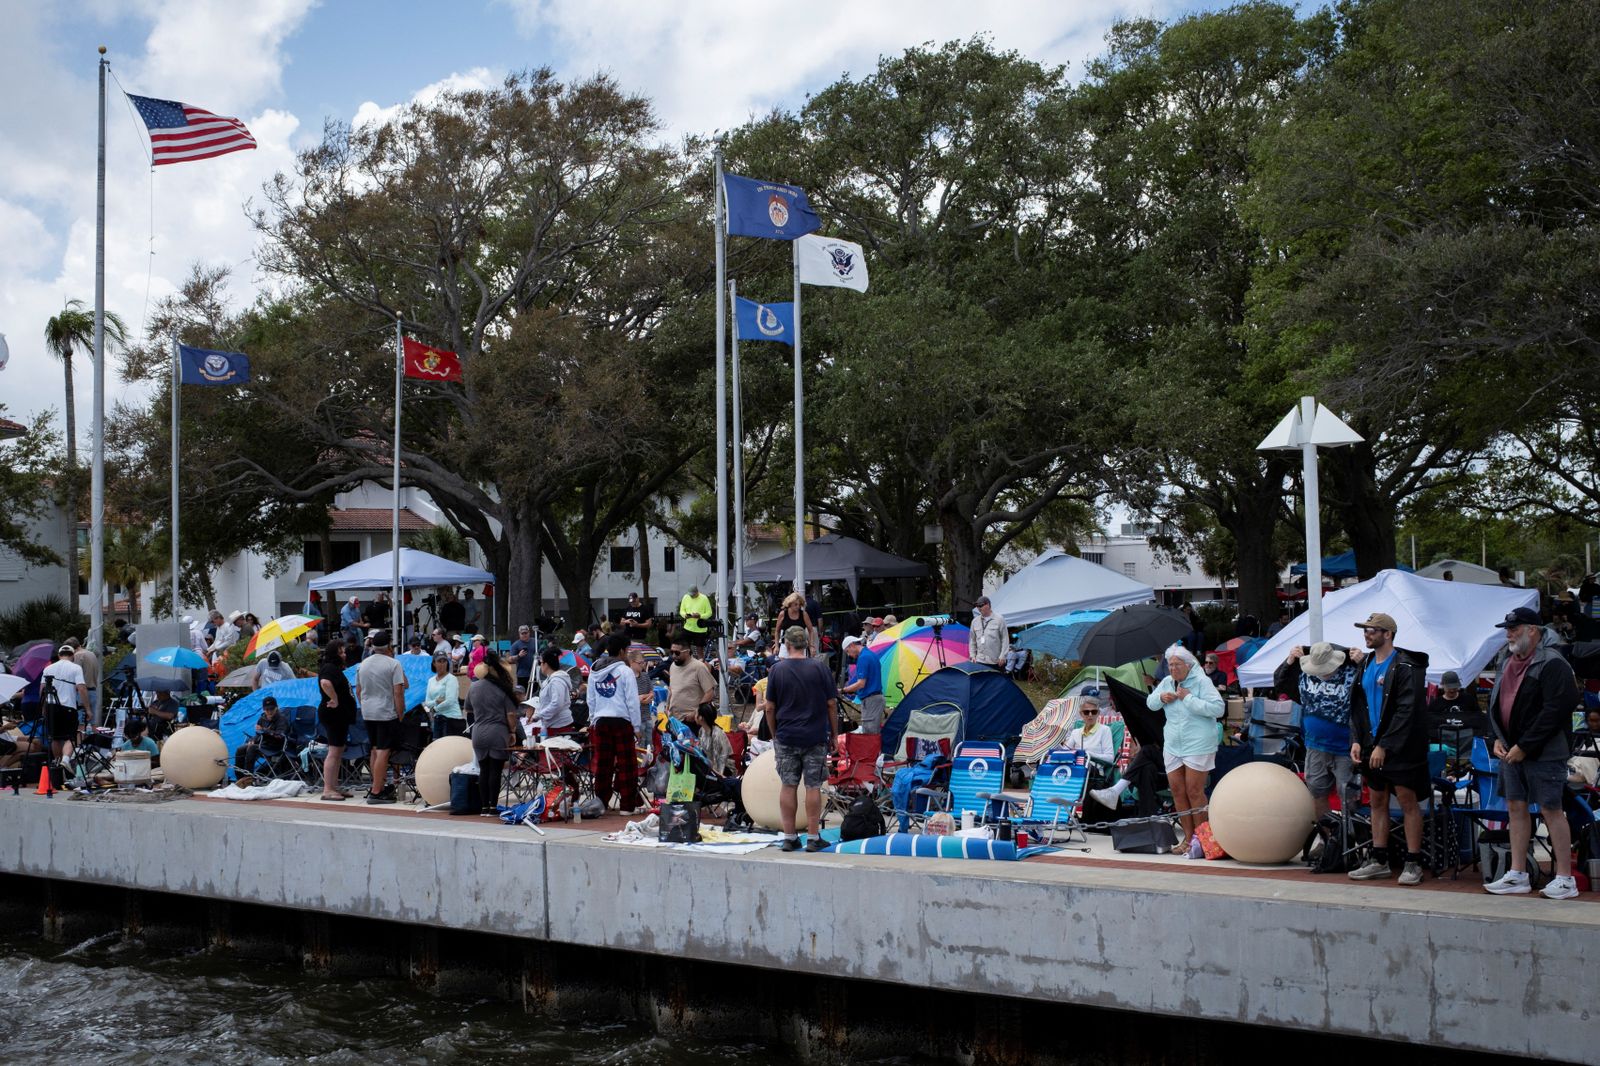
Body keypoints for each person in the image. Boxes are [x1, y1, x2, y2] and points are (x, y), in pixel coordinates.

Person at [1483, 606, 1581, 899]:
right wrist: (1496, 738)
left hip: (1544, 751)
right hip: (1511, 749)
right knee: (1515, 806)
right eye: (1507, 629)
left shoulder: (1553, 663)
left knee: (1552, 809)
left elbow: (1556, 710)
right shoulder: (1506, 660)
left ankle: (1565, 878)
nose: (1508, 634)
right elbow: (1496, 701)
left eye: (1514, 628)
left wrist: (1525, 746)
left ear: (1533, 630)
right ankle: (1517, 874)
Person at [1345, 612, 1431, 886]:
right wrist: (1357, 739)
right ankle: (1379, 859)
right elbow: (1358, 706)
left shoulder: (1404, 666)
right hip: (1371, 742)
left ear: (1388, 634)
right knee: (1377, 800)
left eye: (1373, 630)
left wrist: (1385, 744)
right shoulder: (1367, 662)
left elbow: (1407, 710)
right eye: (1365, 629)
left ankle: (1413, 862)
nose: (1367, 634)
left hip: (1401, 746)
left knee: (1407, 801)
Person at [763, 626, 837, 852]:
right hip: (814, 736)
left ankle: (789, 836)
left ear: (786, 644)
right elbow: (831, 704)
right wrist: (834, 734)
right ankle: (813, 837)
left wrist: (775, 734)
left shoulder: (777, 670)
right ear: (806, 644)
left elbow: (769, 707)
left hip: (786, 735)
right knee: (813, 785)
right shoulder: (820, 668)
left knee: (788, 785)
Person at [1146, 644, 1224, 856]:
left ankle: (1203, 840)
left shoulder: (1202, 682)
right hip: (1172, 744)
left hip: (1197, 743)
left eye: (1177, 664)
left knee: (1194, 791)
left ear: (1188, 665)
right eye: (1169, 665)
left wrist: (1188, 698)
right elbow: (1150, 703)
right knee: (1177, 792)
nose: (1172, 668)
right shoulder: (1166, 682)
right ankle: (1188, 840)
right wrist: (1161, 697)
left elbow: (1218, 708)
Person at [1275, 642, 1358, 820]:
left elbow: (1374, 685)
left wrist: (1363, 661)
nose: (1322, 672)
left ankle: (1349, 838)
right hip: (1315, 745)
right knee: (1317, 792)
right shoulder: (1305, 673)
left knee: (1348, 796)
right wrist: (1289, 661)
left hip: (1345, 747)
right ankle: (1328, 840)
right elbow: (1280, 683)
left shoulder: (1351, 672)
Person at [588, 646, 645, 812]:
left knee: (603, 765)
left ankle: (601, 804)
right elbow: (632, 701)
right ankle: (627, 806)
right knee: (627, 765)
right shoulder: (625, 671)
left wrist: (593, 719)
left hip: (601, 720)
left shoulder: (595, 670)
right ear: (622, 651)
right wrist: (636, 726)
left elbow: (590, 698)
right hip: (622, 721)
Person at [355, 630, 408, 804]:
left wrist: (365, 706)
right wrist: (400, 714)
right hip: (385, 712)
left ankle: (376, 784)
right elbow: (398, 692)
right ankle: (377, 791)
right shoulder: (393, 664)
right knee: (383, 751)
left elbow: (358, 690)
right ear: (389, 646)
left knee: (374, 749)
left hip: (368, 711)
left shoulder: (363, 664)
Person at [465, 648, 519, 812]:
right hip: (498, 731)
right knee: (495, 770)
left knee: (484, 770)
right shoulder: (502, 689)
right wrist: (513, 731)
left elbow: (468, 710)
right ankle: (493, 806)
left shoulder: (473, 687)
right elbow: (510, 714)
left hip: (478, 732)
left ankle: (483, 806)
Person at [316, 641, 355, 801]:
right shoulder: (329, 668)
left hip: (339, 715)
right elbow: (325, 682)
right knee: (333, 751)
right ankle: (327, 789)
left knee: (338, 750)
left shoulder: (334, 669)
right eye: (341, 652)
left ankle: (333, 786)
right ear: (334, 654)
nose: (344, 654)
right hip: (333, 714)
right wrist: (335, 698)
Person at [41, 644, 89, 760]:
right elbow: (81, 688)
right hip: (68, 707)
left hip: (51, 707)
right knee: (70, 736)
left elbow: (42, 689)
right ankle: (66, 760)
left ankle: (57, 764)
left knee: (55, 737)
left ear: (59, 655)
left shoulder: (48, 669)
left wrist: (43, 707)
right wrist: (88, 709)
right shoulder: (76, 668)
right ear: (72, 655)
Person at [1427, 670, 1485, 766]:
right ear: (1442, 685)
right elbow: (1430, 728)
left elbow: (1479, 720)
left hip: (1468, 748)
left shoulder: (1468, 700)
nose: (1452, 690)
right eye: (1449, 687)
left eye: (1454, 687)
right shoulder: (1435, 704)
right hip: (1445, 749)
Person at [233, 696, 288, 778]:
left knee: (252, 748)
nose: (269, 712)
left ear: (277, 708)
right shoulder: (262, 719)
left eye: (271, 709)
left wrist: (265, 730)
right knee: (240, 749)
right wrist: (253, 739)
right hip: (263, 744)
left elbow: (280, 736)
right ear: (263, 709)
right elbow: (258, 734)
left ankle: (248, 778)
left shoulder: (282, 719)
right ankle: (240, 779)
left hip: (276, 747)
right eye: (267, 709)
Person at [840, 636, 886, 735]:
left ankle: (873, 750)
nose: (849, 655)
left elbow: (861, 683)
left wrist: (843, 690)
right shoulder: (870, 654)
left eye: (848, 651)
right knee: (872, 730)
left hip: (871, 699)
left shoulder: (863, 658)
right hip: (875, 697)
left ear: (852, 645)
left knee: (869, 733)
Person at [667, 634, 716, 720]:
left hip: (691, 719)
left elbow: (710, 693)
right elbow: (672, 689)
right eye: (671, 652)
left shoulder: (699, 667)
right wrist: (667, 706)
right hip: (674, 718)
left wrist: (696, 712)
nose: (673, 656)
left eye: (677, 653)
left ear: (687, 652)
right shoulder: (673, 666)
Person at [533, 646, 575, 737]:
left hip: (560, 725)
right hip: (551, 725)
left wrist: (539, 715)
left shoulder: (557, 681)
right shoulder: (549, 680)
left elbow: (557, 704)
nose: (540, 666)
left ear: (546, 664)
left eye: (541, 663)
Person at [1062, 694, 1117, 764]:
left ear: (1098, 713)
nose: (1090, 715)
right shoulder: (1075, 732)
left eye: (1094, 712)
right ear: (1081, 714)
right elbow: (1064, 752)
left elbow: (1110, 758)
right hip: (1074, 767)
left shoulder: (1105, 730)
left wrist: (1087, 754)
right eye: (1086, 712)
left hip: (1093, 770)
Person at [424, 652, 465, 738]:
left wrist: (435, 709)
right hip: (437, 719)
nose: (442, 664)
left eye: (444, 661)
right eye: (439, 661)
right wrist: (436, 701)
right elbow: (427, 702)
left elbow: (450, 701)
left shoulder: (452, 679)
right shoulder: (431, 681)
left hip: (451, 718)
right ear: (434, 663)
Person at [65, 637, 100, 727]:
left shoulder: (78, 656)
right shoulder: (91, 654)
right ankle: (93, 740)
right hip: (93, 691)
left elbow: (74, 675)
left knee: (80, 723)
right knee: (92, 723)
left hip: (82, 693)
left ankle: (81, 741)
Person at [968, 596, 1008, 667]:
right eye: (977, 606)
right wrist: (972, 655)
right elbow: (972, 640)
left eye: (981, 605)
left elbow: (1005, 639)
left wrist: (1003, 656)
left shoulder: (999, 619)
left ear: (988, 605)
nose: (979, 608)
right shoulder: (975, 621)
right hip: (979, 660)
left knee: (997, 678)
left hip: (996, 661)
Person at [772, 592, 816, 658]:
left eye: (799, 605)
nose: (798, 606)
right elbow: (777, 631)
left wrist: (811, 646)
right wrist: (777, 646)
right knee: (784, 665)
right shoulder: (783, 614)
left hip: (801, 645)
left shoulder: (804, 614)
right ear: (790, 604)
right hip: (785, 644)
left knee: (800, 666)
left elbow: (811, 631)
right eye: (795, 604)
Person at [1568, 707, 1600, 791]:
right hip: (1576, 769)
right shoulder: (1581, 733)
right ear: (1587, 721)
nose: (1594, 724)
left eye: (1597, 721)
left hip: (1592, 774)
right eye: (1591, 721)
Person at [678, 585, 713, 652]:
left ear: (697, 592)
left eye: (693, 594)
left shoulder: (704, 598)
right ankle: (688, 661)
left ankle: (699, 662)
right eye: (690, 594)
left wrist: (700, 616)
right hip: (688, 627)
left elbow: (709, 613)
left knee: (699, 650)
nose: (691, 596)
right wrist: (685, 615)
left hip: (700, 629)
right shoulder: (686, 597)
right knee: (684, 648)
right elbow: (681, 611)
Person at [509, 625, 537, 690]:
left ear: (529, 633)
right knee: (522, 694)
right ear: (519, 634)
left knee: (534, 694)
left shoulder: (535, 642)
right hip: (522, 675)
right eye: (522, 633)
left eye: (526, 633)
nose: (524, 635)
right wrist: (519, 656)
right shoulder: (516, 645)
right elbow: (509, 660)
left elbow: (542, 652)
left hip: (535, 674)